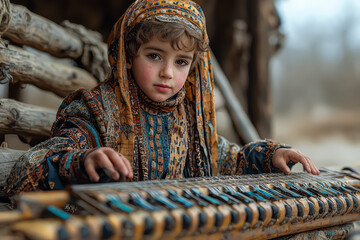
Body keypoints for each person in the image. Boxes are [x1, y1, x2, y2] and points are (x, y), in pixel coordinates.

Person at [4, 0, 319, 203]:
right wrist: (81, 162)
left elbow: (227, 161)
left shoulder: (190, 119)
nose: (167, 73)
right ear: (128, 56)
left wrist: (268, 156)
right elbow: (27, 172)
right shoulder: (95, 110)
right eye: (154, 56)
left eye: (181, 62)